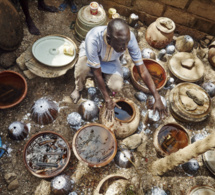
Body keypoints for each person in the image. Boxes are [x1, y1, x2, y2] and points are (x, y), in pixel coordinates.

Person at [71, 18, 167, 120]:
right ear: (109, 39)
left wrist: (157, 96)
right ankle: (78, 88)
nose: (125, 48)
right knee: (82, 69)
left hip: (111, 60)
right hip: (90, 56)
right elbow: (97, 73)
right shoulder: (93, 39)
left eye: (126, 43)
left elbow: (142, 69)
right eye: (121, 44)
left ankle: (103, 82)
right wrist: (107, 99)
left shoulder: (128, 38)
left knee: (116, 85)